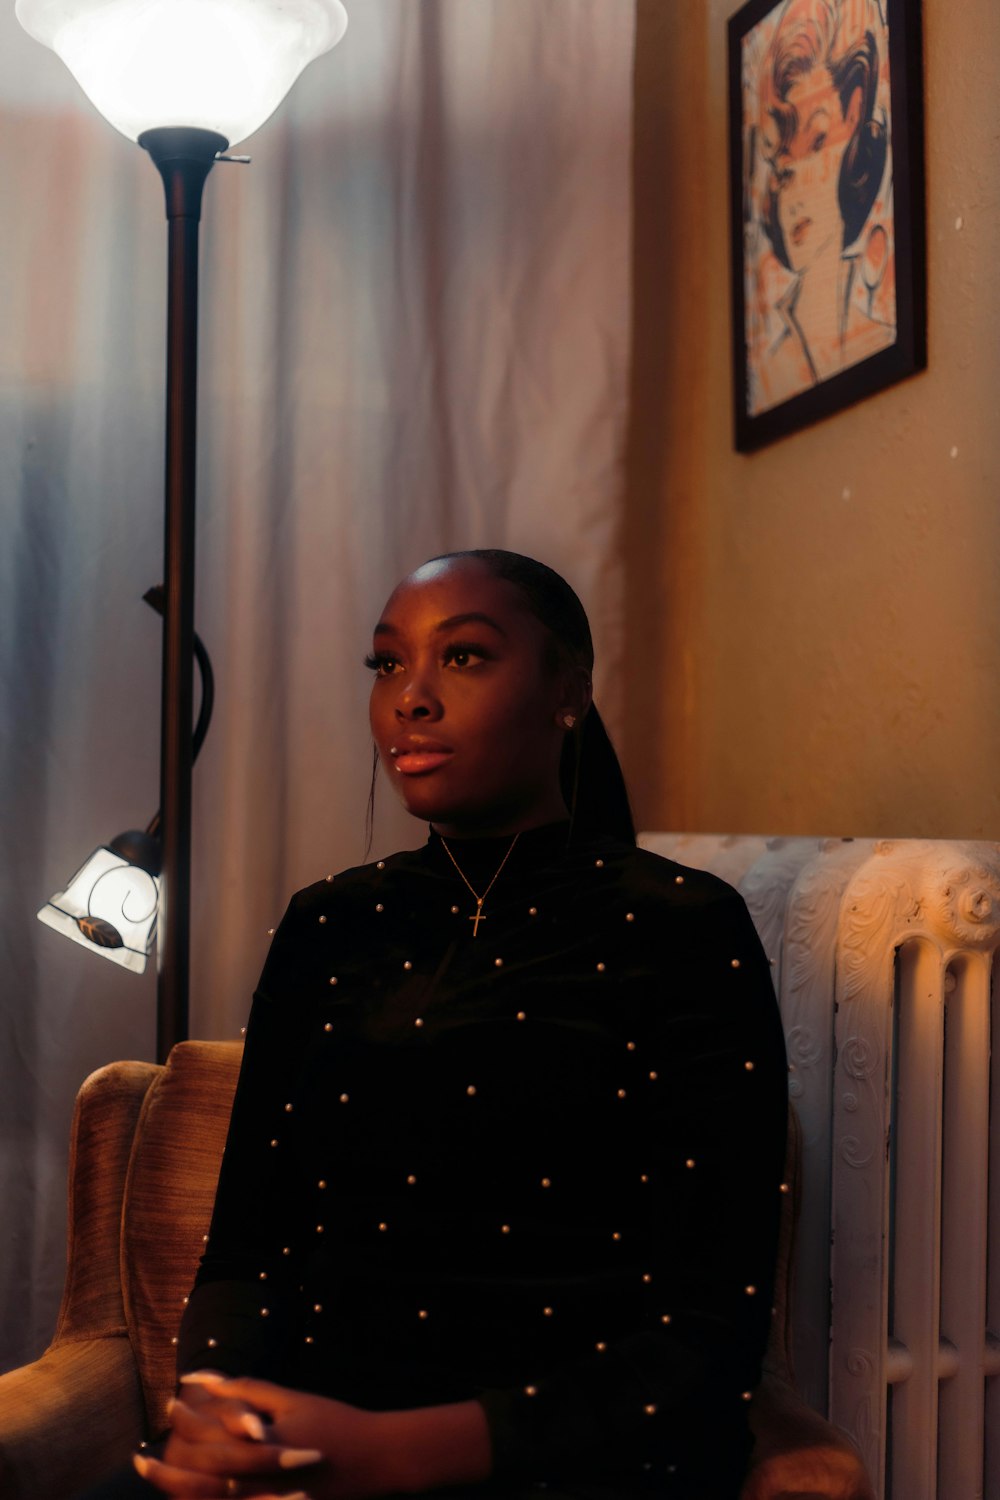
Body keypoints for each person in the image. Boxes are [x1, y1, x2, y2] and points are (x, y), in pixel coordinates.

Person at [81, 549, 789, 1500]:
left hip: (556, 1462)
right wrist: (221, 1413)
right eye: (385, 663)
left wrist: (387, 1455)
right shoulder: (325, 922)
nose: (408, 697)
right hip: (291, 1446)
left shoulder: (681, 925)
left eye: (462, 657)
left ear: (568, 693)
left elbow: (711, 1335)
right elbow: (247, 1245)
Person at [750, 0, 892, 410]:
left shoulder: (879, 335)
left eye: (816, 142)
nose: (796, 197)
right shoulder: (768, 372)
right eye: (783, 171)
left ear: (852, 116)